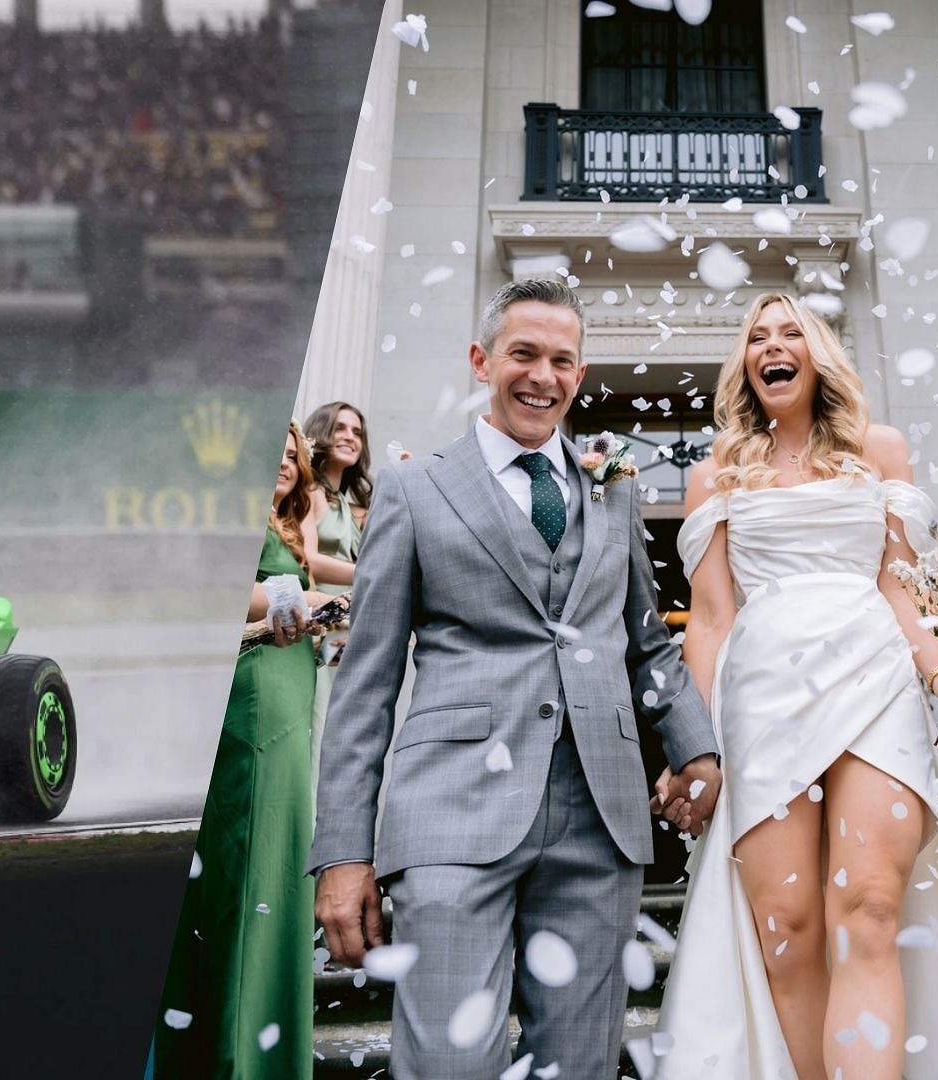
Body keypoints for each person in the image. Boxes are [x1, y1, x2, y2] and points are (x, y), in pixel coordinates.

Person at [313, 278, 721, 1079]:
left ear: (580, 373)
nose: (543, 375)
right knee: (446, 1063)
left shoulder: (614, 489)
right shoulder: (413, 488)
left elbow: (647, 642)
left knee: (577, 1066)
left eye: (562, 360)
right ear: (481, 361)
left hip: (598, 817)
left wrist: (696, 748)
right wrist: (342, 854)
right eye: (524, 354)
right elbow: (365, 686)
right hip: (448, 813)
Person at [654, 293, 938, 1079]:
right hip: (762, 695)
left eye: (790, 331)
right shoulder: (715, 475)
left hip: (874, 682)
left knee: (867, 909)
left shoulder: (879, 449)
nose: (773, 345)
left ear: (818, 351)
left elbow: (900, 587)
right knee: (788, 928)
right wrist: (689, 745)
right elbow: (710, 620)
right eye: (756, 337)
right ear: (745, 368)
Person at [149, 422, 331, 1079]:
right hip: (249, 716)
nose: (284, 464)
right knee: (246, 879)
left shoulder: (283, 524)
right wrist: (297, 598)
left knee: (277, 877)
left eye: (291, 455)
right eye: (270, 453)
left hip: (286, 713)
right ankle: (234, 1057)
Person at [300, 400, 369, 785]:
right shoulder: (309, 489)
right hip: (320, 621)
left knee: (341, 724)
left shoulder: (350, 502)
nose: (349, 437)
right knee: (320, 717)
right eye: (340, 428)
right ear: (322, 434)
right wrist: (367, 575)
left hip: (348, 625)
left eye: (357, 432)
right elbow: (309, 559)